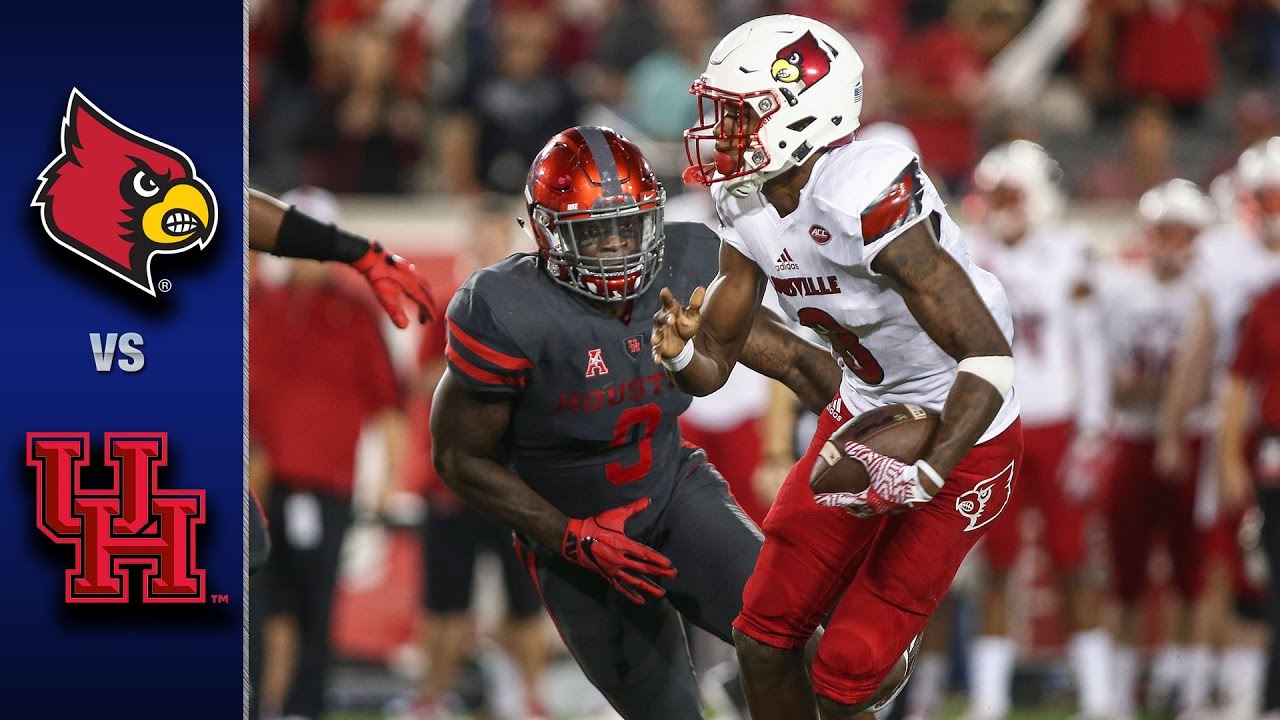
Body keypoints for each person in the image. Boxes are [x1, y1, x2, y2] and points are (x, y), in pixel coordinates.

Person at [661, 14, 1023, 719]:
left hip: (965, 427)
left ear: (802, 114)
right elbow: (714, 365)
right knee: (761, 637)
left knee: (847, 670)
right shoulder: (745, 201)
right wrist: (679, 351)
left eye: (740, 115)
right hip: (863, 413)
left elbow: (987, 355)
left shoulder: (861, 190)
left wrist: (925, 472)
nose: (721, 132)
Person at [430, 124, 843, 720]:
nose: (618, 246)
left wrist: (879, 424)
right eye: (595, 233)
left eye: (629, 226)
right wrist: (569, 537)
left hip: (676, 496)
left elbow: (795, 360)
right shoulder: (505, 308)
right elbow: (458, 458)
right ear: (547, 232)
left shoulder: (689, 261)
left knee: (803, 652)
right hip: (574, 535)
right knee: (667, 713)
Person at [965, 140, 1113, 720]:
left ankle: (1099, 696)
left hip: (1056, 424)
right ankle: (988, 700)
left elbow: (1091, 348)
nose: (1001, 207)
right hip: (995, 424)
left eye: (1011, 195)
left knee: (1073, 559)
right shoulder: (969, 254)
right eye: (996, 196)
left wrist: (1094, 429)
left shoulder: (1070, 254)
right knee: (996, 562)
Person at [1099, 179, 1217, 719]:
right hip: (1132, 436)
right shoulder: (1121, 289)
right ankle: (1119, 695)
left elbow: (1210, 380)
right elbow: (1116, 383)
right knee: (1126, 573)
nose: (1170, 245)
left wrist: (1165, 393)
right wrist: (1161, 390)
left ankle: (1189, 691)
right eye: (1162, 232)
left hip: (1195, 436)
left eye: (1181, 233)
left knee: (1194, 573)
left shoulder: (1211, 291)